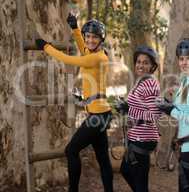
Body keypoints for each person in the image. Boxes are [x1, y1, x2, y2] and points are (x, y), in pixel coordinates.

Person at [35, 14, 113, 192]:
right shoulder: (94, 54)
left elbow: (68, 59)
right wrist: (75, 29)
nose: (90, 40)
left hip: (98, 117)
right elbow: (84, 49)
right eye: (88, 37)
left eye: (94, 37)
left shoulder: (97, 58)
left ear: (101, 39)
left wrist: (46, 47)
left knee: (71, 151)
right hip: (101, 114)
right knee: (103, 159)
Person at [156, 38, 189, 192]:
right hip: (185, 146)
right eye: (182, 59)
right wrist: (168, 104)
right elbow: (185, 110)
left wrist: (171, 110)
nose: (185, 63)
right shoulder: (187, 81)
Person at [115, 45, 161, 192]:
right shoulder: (141, 81)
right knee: (126, 170)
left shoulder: (150, 83)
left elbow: (155, 114)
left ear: (153, 66)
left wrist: (129, 109)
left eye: (145, 62)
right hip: (136, 136)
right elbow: (139, 107)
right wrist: (125, 105)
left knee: (139, 180)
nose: (141, 65)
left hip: (144, 138)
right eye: (139, 62)